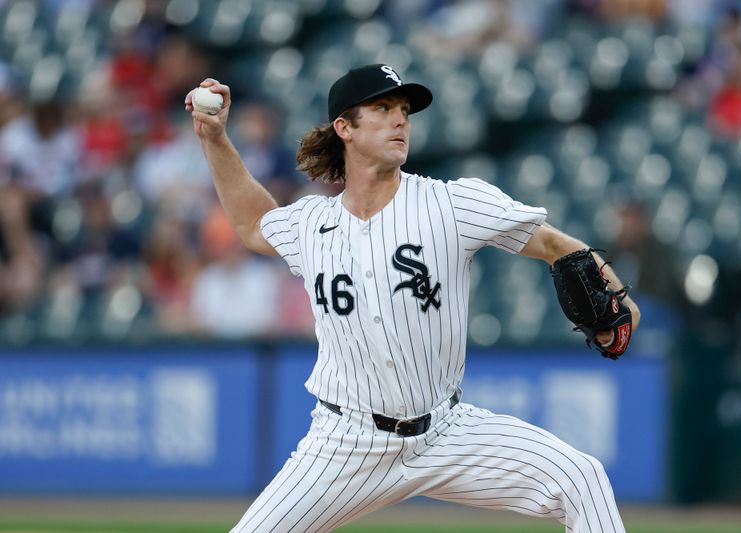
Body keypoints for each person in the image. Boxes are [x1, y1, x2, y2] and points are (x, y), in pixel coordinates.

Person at [186, 64, 640, 533]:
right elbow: (252, 225)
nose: (400, 120)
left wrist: (623, 300)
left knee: (581, 479)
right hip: (346, 441)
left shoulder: (451, 204)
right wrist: (215, 139)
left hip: (446, 432)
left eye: (404, 110)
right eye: (382, 109)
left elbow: (553, 245)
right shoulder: (310, 225)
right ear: (344, 127)